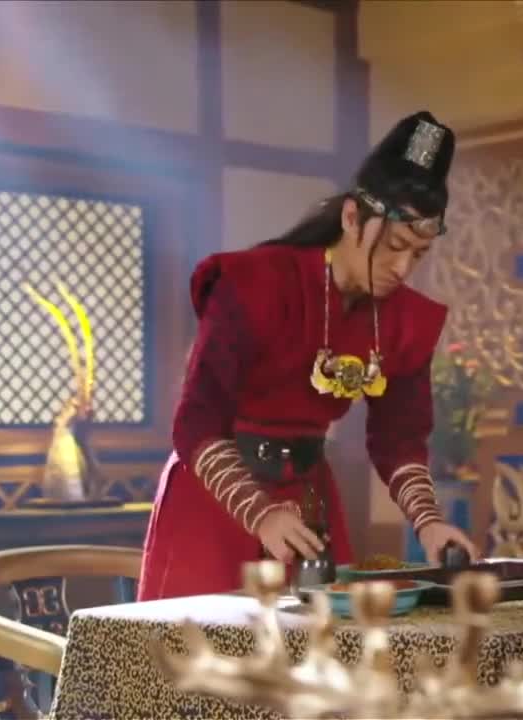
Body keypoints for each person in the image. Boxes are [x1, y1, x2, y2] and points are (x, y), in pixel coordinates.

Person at [138, 111, 479, 600]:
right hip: (215, 501)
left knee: (318, 642)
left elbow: (399, 439)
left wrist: (428, 522)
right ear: (351, 218)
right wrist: (259, 512)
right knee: (200, 645)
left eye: (419, 254)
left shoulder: (404, 320)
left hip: (307, 501)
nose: (403, 268)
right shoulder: (256, 284)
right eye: (395, 246)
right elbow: (196, 423)